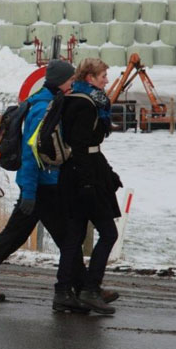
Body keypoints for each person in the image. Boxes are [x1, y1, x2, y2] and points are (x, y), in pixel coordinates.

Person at [0, 60, 90, 305]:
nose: (72, 84)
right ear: (59, 82)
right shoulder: (43, 108)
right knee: (65, 238)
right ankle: (85, 288)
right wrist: (30, 193)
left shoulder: (47, 102)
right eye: (70, 80)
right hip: (41, 186)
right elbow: (31, 154)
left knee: (17, 236)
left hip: (43, 184)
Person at [54, 58, 122, 315]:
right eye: (103, 75)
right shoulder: (86, 105)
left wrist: (107, 173)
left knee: (74, 236)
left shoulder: (73, 99)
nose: (107, 80)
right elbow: (82, 146)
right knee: (109, 233)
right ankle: (90, 290)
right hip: (85, 177)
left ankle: (63, 291)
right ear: (90, 78)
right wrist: (88, 182)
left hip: (73, 176)